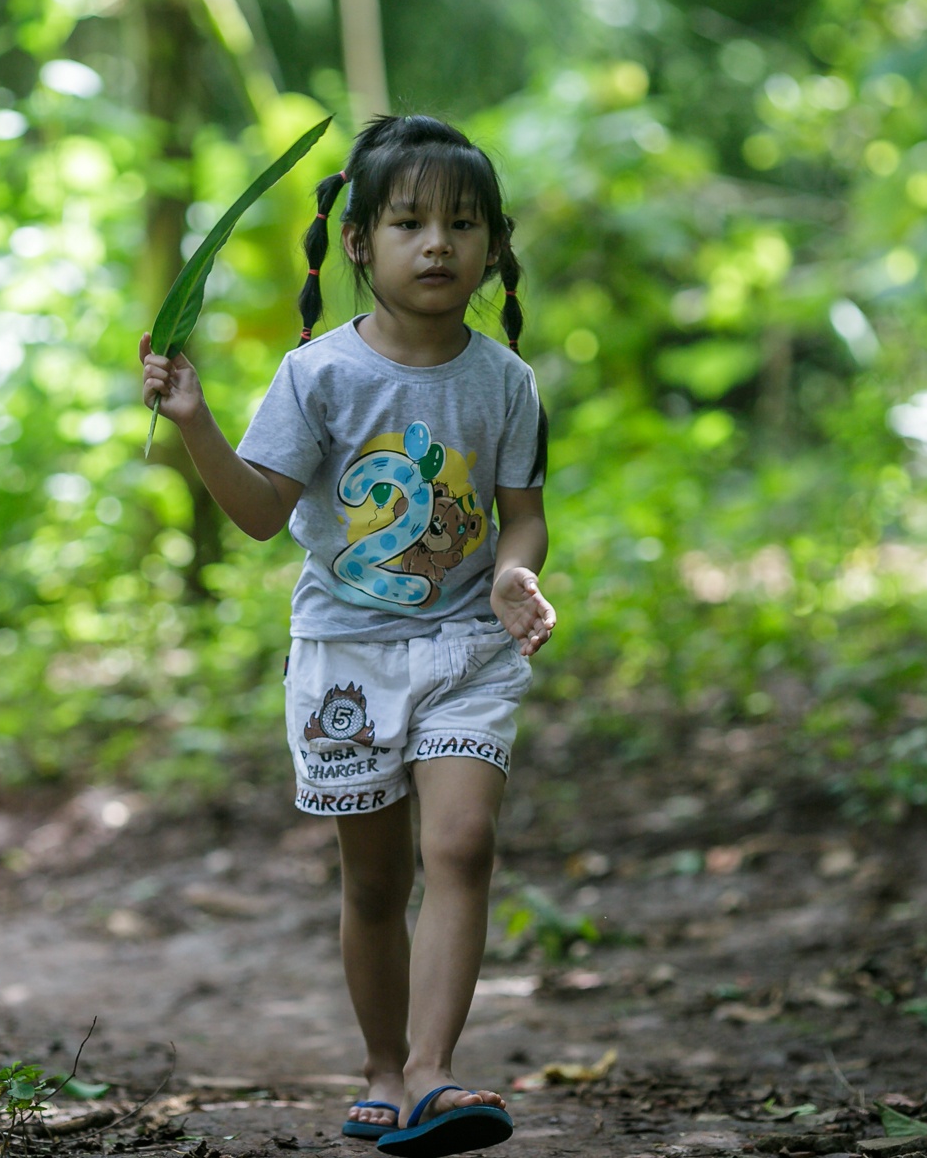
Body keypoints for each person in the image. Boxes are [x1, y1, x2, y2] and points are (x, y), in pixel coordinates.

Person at [139, 114, 554, 1158]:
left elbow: (523, 510)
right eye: (409, 221)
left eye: (463, 223)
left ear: (494, 246)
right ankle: (380, 1064)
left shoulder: (505, 381)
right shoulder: (316, 374)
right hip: (344, 658)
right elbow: (260, 512)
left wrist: (515, 574)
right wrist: (197, 422)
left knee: (461, 844)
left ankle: (431, 1071)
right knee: (375, 881)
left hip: (466, 646)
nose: (438, 244)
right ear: (359, 242)